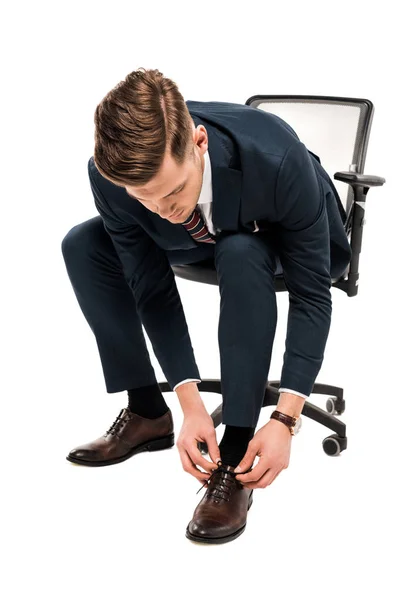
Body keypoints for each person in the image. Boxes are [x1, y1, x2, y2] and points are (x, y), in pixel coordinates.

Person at [61, 67, 352, 544]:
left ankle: (234, 462)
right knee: (84, 244)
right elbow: (149, 284)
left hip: (284, 233)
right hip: (206, 236)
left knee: (240, 252)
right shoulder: (113, 177)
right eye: (145, 198)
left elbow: (311, 296)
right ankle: (146, 413)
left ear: (198, 142)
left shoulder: (280, 158)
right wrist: (189, 403)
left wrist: (285, 418)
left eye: (173, 190)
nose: (163, 209)